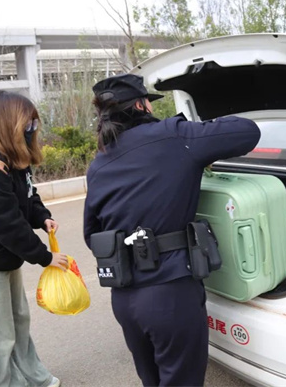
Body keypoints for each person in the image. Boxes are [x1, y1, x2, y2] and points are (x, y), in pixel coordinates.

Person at [83, 74, 261, 386]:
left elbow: (91, 233)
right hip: (170, 295)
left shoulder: (99, 163)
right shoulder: (173, 136)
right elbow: (247, 131)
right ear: (141, 105)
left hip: (124, 299)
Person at [0, 90, 67, 387]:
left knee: (19, 322)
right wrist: (45, 257)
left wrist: (41, 217)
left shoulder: (16, 160)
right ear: (9, 123)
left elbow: (29, 197)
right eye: (27, 122)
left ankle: (34, 377)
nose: (32, 128)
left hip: (5, 256)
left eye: (34, 122)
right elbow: (6, 224)